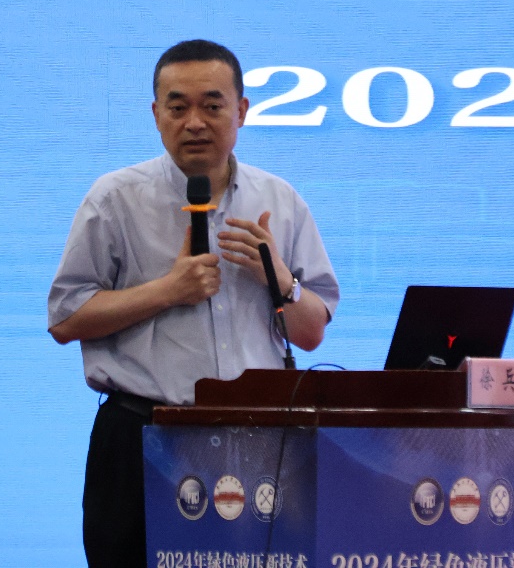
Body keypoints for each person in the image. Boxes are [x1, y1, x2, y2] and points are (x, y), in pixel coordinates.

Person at [47, 39, 340, 568]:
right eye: (178, 107)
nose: (195, 122)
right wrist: (168, 290)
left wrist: (281, 280)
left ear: (242, 111)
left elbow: (311, 332)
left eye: (212, 105)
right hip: (142, 436)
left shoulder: (280, 201)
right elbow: (66, 319)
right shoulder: (115, 198)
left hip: (259, 444)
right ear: (156, 115)